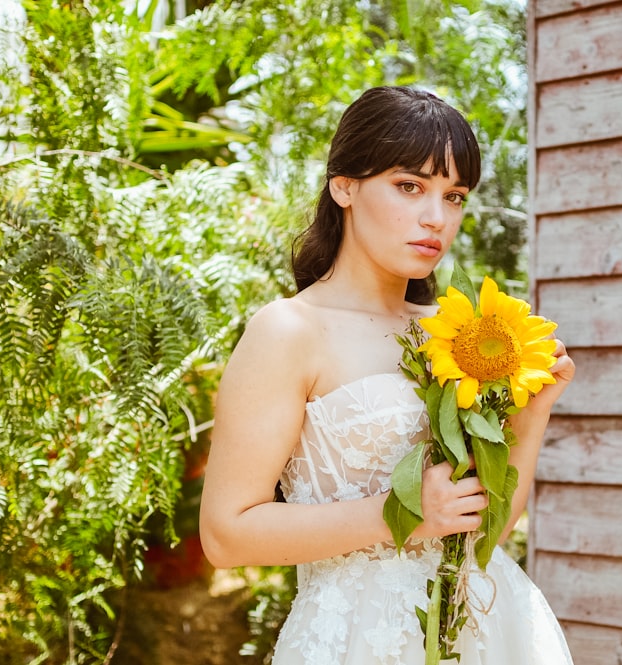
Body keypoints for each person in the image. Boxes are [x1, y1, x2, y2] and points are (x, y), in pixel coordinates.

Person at [199, 86, 575, 664]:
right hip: (355, 642)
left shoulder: (457, 332)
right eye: (409, 187)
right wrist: (401, 514)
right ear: (343, 186)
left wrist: (534, 412)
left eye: (454, 196)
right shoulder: (289, 331)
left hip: (485, 631)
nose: (435, 218)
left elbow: (486, 536)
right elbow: (225, 535)